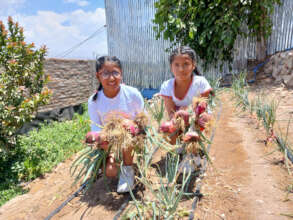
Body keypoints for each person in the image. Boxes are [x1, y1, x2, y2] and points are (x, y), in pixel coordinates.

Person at [88, 56, 144, 193]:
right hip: (109, 140)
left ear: (121, 74)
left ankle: (128, 170)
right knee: (110, 172)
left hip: (132, 136)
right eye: (105, 73)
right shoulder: (94, 101)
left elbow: (143, 120)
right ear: (98, 76)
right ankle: (114, 163)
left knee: (125, 133)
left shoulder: (132, 94)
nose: (111, 78)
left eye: (115, 73)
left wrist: (132, 125)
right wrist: (101, 138)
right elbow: (96, 129)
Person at [159, 46, 212, 173]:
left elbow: (201, 108)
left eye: (186, 64)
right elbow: (171, 113)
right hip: (178, 118)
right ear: (171, 67)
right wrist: (179, 115)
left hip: (197, 118)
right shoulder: (167, 86)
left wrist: (187, 112)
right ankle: (180, 150)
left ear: (193, 65)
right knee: (169, 127)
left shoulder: (201, 82)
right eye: (176, 65)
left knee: (203, 119)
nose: (181, 69)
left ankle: (193, 154)